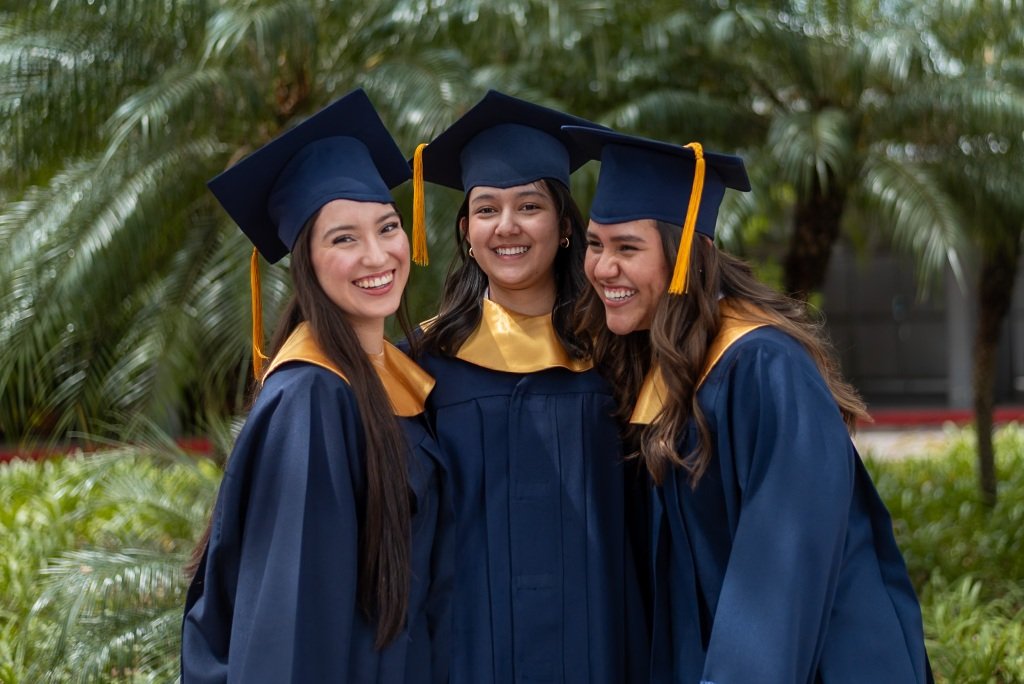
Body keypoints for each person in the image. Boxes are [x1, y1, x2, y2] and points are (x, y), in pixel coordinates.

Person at [563, 125, 933, 683]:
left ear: (689, 253)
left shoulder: (764, 368)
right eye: (595, 244)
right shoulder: (663, 367)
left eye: (627, 248)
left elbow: (779, 577)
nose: (602, 268)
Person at [181, 89, 450, 683]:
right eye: (344, 238)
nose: (378, 255)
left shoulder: (387, 379)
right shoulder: (310, 400)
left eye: (387, 227)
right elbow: (288, 624)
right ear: (305, 261)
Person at [408, 91, 648, 683]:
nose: (506, 227)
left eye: (528, 206)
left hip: (600, 643)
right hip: (467, 651)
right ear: (465, 231)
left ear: (565, 225)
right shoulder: (422, 363)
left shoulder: (617, 354)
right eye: (486, 209)